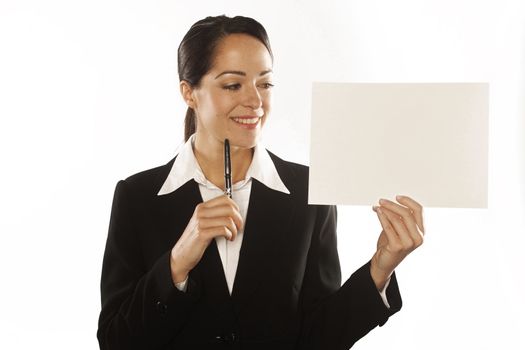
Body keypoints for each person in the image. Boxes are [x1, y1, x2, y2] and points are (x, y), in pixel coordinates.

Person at [97, 15, 425, 350]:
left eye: (264, 84)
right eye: (232, 85)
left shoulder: (308, 191)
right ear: (189, 92)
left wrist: (380, 270)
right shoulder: (137, 197)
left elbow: (318, 338)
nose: (255, 101)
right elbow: (115, 342)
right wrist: (177, 264)